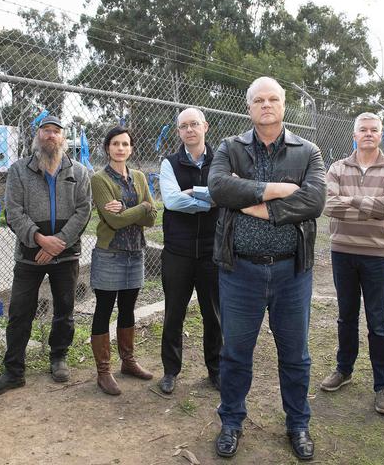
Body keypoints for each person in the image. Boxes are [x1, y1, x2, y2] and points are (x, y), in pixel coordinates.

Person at [208, 76, 326, 460]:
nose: (266, 105)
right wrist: (276, 189)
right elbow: (219, 188)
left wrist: (253, 200)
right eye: (258, 100)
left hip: (292, 273)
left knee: (296, 355)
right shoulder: (230, 147)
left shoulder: (307, 151)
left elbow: (314, 202)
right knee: (236, 353)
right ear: (249, 107)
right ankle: (231, 422)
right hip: (239, 272)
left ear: (284, 104)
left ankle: (298, 424)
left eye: (273, 98)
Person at [0, 116, 92, 397]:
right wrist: (40, 240)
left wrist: (60, 243)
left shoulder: (79, 172)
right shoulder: (19, 170)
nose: (51, 136)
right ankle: (14, 371)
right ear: (37, 135)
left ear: (63, 139)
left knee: (64, 310)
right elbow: (13, 212)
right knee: (20, 312)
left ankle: (58, 358)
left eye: (56, 132)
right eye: (46, 131)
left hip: (66, 256)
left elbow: (83, 211)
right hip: (30, 255)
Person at [319, 112, 384, 416]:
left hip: (377, 254)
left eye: (374, 130)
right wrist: (370, 207)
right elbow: (327, 204)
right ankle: (344, 370)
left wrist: (350, 201)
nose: (368, 134)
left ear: (381, 134)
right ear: (353, 134)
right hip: (342, 252)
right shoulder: (337, 168)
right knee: (346, 316)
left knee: (377, 321)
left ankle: (382, 383)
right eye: (363, 130)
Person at [89, 126, 157, 395]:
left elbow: (152, 220)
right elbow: (114, 221)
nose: (120, 148)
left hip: (135, 252)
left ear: (131, 149)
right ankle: (103, 372)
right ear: (108, 148)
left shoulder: (139, 177)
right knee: (104, 309)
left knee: (128, 308)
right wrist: (142, 207)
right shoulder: (99, 179)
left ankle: (128, 361)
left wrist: (134, 210)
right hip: (110, 253)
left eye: (125, 144)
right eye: (115, 143)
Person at [158, 107, 221, 395]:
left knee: (214, 314)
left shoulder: (221, 161)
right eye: (184, 126)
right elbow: (171, 202)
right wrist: (209, 198)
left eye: (194, 124)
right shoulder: (169, 164)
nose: (189, 130)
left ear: (205, 126)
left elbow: (226, 194)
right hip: (178, 252)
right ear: (179, 131)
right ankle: (171, 371)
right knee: (174, 313)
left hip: (212, 251)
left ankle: (216, 369)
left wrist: (191, 195)